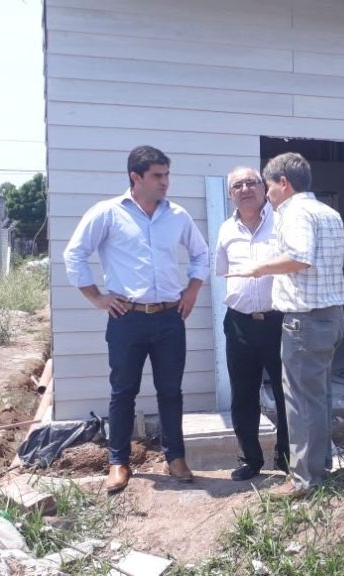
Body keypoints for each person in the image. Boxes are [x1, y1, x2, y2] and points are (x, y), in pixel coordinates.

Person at [63, 145, 208, 493]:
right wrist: (97, 298)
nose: (165, 182)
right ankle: (118, 462)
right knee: (123, 391)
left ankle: (175, 458)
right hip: (127, 319)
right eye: (158, 176)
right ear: (135, 177)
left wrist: (191, 291)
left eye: (167, 175)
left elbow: (201, 254)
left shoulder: (177, 215)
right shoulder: (108, 213)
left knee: (170, 391)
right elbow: (74, 254)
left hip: (170, 318)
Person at [226, 152, 344, 498]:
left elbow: (299, 257)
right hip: (331, 315)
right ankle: (319, 466)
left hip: (304, 321)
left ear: (283, 183)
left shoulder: (293, 212)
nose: (267, 193)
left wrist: (258, 268)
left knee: (301, 402)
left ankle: (305, 479)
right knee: (318, 396)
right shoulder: (328, 212)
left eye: (268, 186)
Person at [215, 166, 290, 481]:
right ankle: (250, 460)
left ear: (263, 187)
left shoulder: (284, 223)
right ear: (230, 194)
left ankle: (287, 460)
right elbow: (223, 270)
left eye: (251, 182)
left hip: (280, 322)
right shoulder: (225, 230)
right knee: (243, 394)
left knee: (287, 394)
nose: (245, 189)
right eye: (237, 185)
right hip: (239, 324)